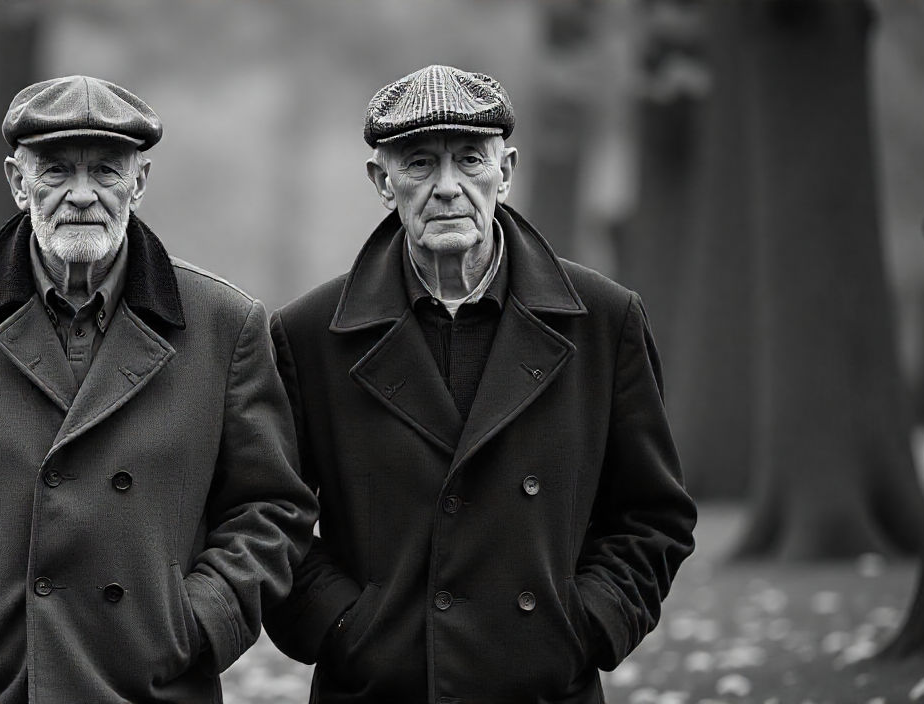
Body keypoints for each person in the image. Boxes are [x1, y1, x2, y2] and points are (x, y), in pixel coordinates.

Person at [0, 75, 317, 703]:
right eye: (57, 170)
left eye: (106, 171)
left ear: (138, 183)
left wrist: (198, 622)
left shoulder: (224, 325)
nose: (83, 195)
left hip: (155, 685)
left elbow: (272, 508)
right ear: (18, 182)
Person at [263, 65, 697, 703]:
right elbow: (272, 518)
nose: (447, 187)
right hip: (377, 690)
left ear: (506, 170)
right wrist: (346, 629)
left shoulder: (604, 320)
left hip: (545, 687)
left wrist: (585, 628)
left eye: (470, 159)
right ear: (382, 181)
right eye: (419, 164)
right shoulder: (308, 335)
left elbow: (653, 515)